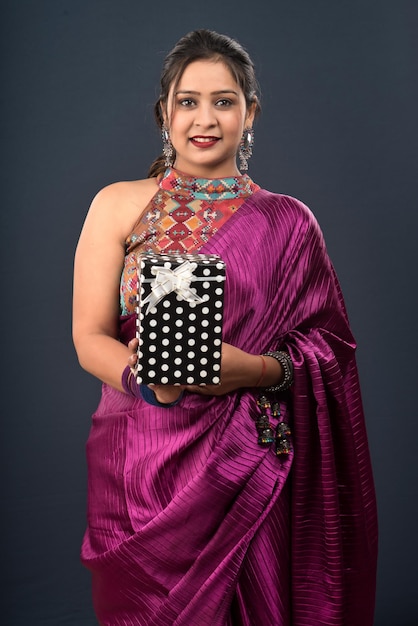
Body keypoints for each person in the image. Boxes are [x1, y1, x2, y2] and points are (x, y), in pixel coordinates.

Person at [73, 29, 378, 626]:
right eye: (188, 101)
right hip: (136, 462)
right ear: (165, 112)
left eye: (224, 100)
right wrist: (147, 381)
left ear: (250, 110)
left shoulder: (288, 222)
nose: (204, 118)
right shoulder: (118, 204)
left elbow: (329, 351)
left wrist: (254, 370)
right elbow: (89, 336)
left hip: (245, 464)